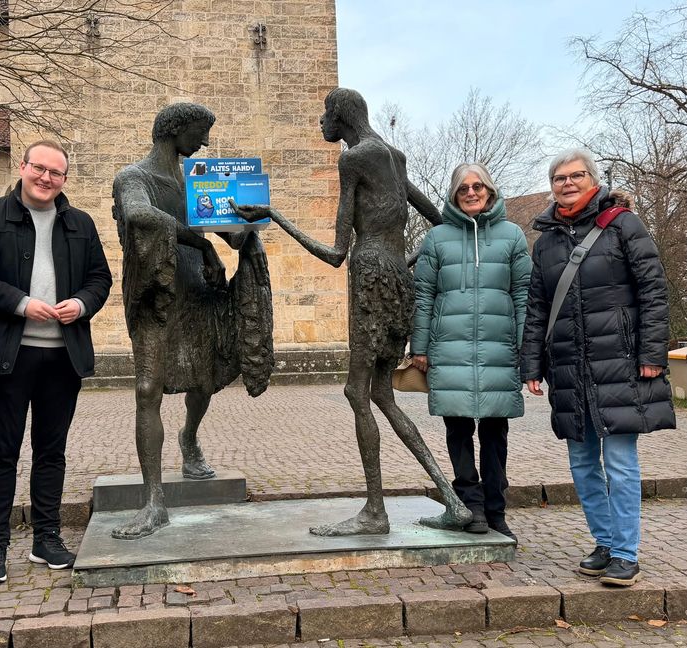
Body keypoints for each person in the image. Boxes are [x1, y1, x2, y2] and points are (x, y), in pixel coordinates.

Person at [232, 88, 472, 535]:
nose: (321, 123)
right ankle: (453, 501)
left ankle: (375, 512)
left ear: (340, 116)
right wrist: (406, 262)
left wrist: (271, 214)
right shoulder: (395, 156)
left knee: (357, 393)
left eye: (325, 114)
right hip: (397, 280)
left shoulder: (354, 159)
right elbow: (443, 221)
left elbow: (337, 252)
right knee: (381, 394)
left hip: (369, 279)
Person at [111, 102, 273, 540]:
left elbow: (232, 235)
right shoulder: (134, 178)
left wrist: (249, 221)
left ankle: (189, 439)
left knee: (202, 378)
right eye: (199, 132)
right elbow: (138, 215)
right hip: (158, 289)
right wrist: (199, 245)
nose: (203, 143)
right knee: (148, 388)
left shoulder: (200, 181)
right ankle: (153, 502)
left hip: (199, 288)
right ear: (176, 130)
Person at [521, 149, 675, 586]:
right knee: (583, 464)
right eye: (559, 177)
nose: (567, 183)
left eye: (576, 175)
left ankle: (626, 553)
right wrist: (531, 363)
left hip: (621, 363)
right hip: (570, 367)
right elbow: (537, 308)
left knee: (622, 462)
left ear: (593, 180)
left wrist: (651, 356)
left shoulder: (624, 224)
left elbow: (653, 291)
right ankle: (605, 541)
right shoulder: (547, 241)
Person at [0, 141, 112, 584]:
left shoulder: (79, 223)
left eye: (56, 173)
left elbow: (99, 277)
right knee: (1, 452)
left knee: (52, 452)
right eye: (39, 169)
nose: (46, 178)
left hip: (63, 356)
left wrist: (82, 305)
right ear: (22, 167)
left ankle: (46, 538)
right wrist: (22, 303)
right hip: (7, 355)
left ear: (65, 179)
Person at [410, 163, 530, 542]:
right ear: (454, 194)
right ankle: (470, 506)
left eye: (478, 186)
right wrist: (420, 345)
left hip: (499, 348)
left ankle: (496, 510)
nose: (472, 192)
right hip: (449, 349)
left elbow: (524, 293)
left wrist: (527, 347)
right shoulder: (437, 238)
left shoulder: (512, 236)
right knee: (458, 430)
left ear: (490, 191)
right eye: (464, 188)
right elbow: (424, 295)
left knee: (496, 432)